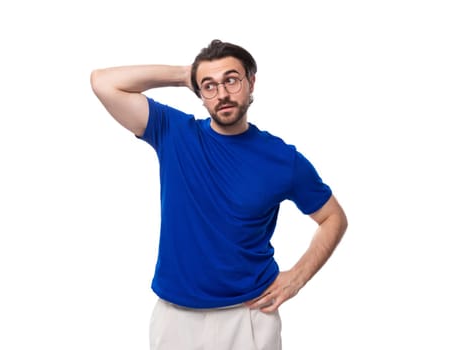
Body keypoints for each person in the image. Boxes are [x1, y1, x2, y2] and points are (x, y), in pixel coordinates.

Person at [90, 39, 348, 350]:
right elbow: (103, 83)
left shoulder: (282, 159)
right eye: (209, 86)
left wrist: (298, 277)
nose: (222, 94)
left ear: (251, 82)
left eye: (231, 80)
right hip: (176, 318)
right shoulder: (173, 132)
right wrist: (184, 75)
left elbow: (333, 217)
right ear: (199, 93)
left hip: (250, 315)